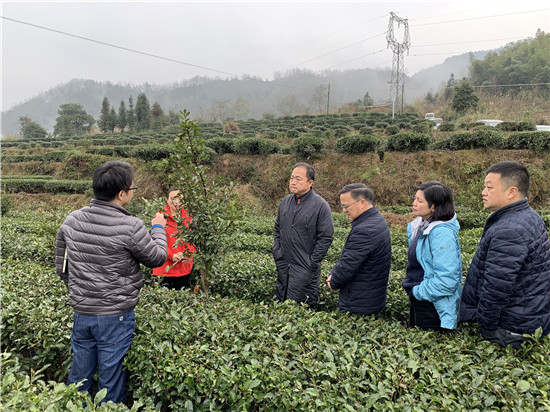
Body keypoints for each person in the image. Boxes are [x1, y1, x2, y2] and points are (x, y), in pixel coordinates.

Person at [55, 161, 167, 403]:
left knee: (79, 378)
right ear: (121, 194)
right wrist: (158, 228)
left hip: (82, 313)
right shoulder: (130, 226)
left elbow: (62, 269)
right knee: (110, 380)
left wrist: (83, 293)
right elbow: (158, 258)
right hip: (115, 316)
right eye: (133, 188)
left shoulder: (71, 220)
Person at [460, 161, 550, 349]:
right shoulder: (528, 215)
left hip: (511, 328)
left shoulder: (509, 229)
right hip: (527, 318)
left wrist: (485, 325)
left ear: (511, 192)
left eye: (489, 187)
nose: (483, 192)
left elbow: (497, 288)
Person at [401, 182, 462, 331]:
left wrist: (417, 292)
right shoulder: (420, 226)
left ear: (433, 206)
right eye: (415, 199)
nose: (414, 203)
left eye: (419, 201)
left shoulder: (442, 233)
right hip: (422, 298)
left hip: (434, 305)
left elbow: (447, 280)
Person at [273, 162, 334, 307]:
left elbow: (325, 237)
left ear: (310, 182)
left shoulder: (320, 206)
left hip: (305, 270)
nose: (293, 182)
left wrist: (311, 262)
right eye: (291, 178)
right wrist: (277, 252)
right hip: (284, 266)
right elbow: (277, 229)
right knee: (281, 306)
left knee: (301, 309)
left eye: (298, 179)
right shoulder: (285, 202)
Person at [326, 183, 391, 316]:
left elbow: (348, 264)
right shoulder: (377, 219)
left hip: (359, 302)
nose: (343, 210)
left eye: (346, 206)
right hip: (371, 297)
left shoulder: (364, 230)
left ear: (362, 202)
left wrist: (334, 281)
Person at [153, 188, 196, 290]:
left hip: (183, 267)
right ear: (167, 200)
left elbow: (194, 240)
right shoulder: (160, 217)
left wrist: (186, 253)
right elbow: (156, 240)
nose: (176, 202)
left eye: (180, 199)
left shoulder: (190, 217)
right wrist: (171, 256)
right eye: (173, 199)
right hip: (163, 269)